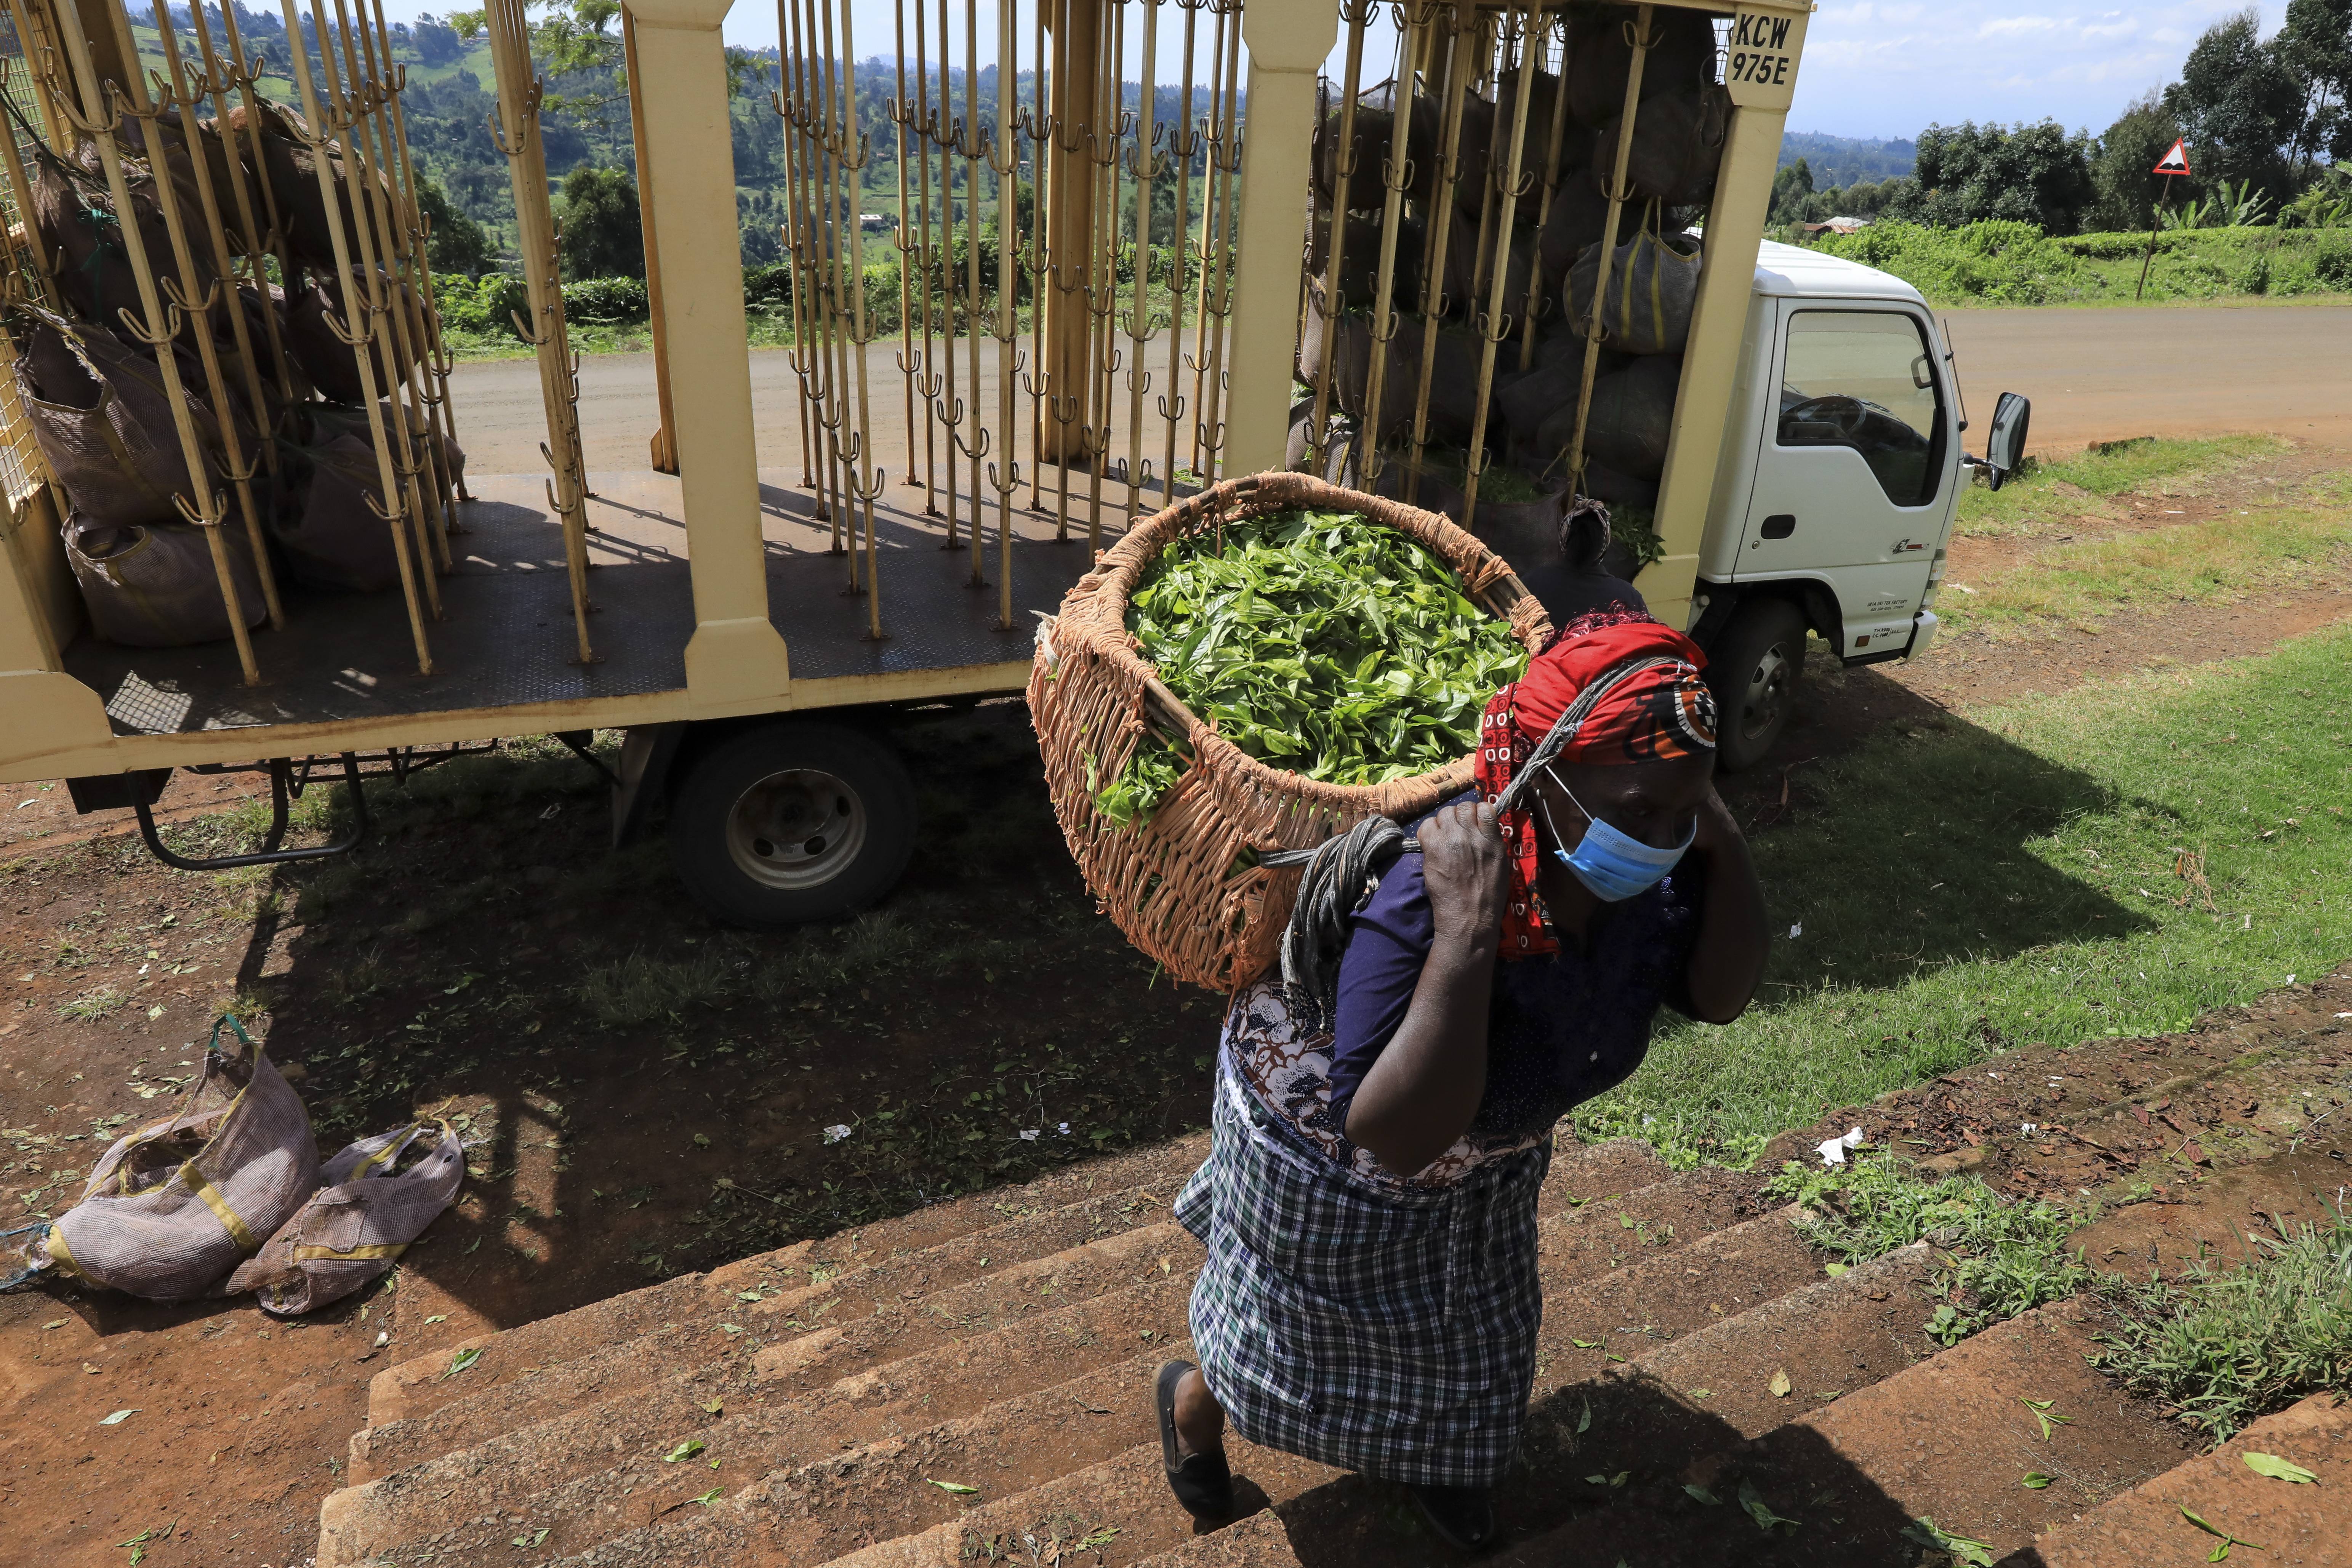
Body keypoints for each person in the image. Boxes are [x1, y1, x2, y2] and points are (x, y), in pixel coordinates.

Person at [1153, 604, 1771, 1550]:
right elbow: (1394, 1137)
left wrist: (1719, 840)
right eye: (1639, 809)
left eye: (1685, 805)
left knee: (1473, 1347)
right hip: (1330, 1159)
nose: (1659, 835)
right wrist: (1470, 933)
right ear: (1545, 772)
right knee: (1284, 1350)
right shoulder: (1428, 885)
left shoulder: (1656, 871)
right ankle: (1195, 1410)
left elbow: (1721, 996)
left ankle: (1443, 1469)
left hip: (1485, 1159)